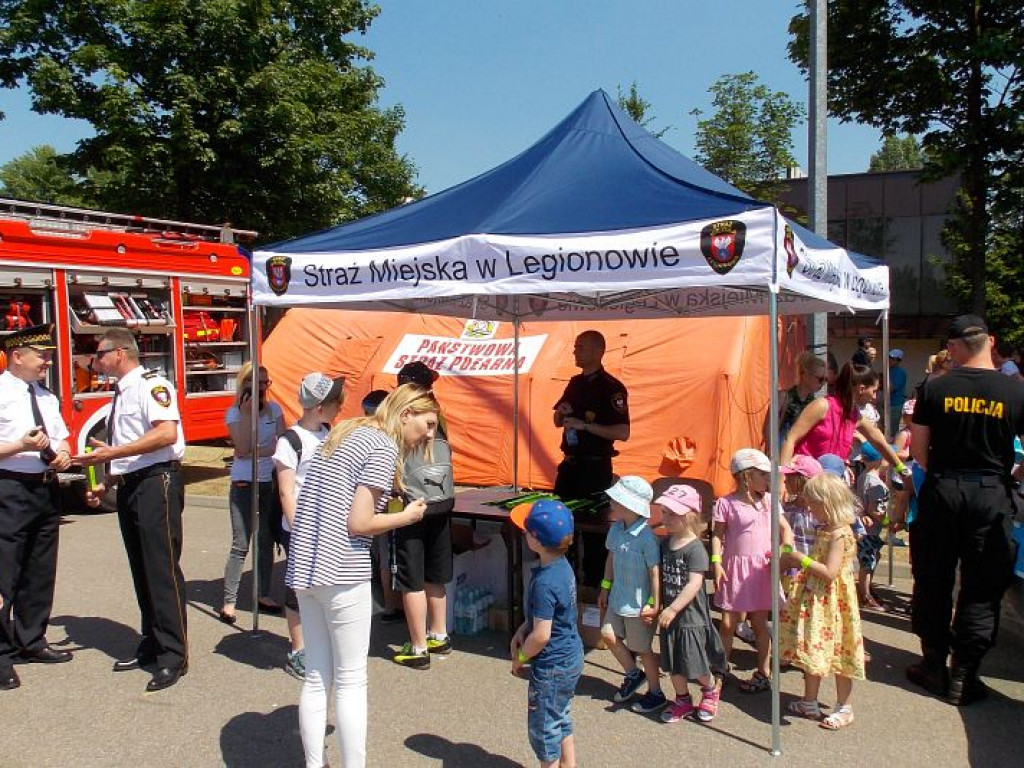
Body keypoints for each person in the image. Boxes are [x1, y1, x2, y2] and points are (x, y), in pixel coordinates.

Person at [286, 383, 433, 768]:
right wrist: (406, 516)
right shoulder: (382, 446)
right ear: (406, 414)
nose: (430, 434)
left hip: (306, 565)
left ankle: (314, 763)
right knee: (351, 678)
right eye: (428, 424)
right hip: (341, 567)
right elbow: (360, 522)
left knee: (317, 675)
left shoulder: (347, 431)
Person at [907, 315, 1024, 706]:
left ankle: (933, 664)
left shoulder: (934, 387)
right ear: (990, 342)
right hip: (991, 493)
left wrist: (943, 472)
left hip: (944, 489)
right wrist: (1013, 475)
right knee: (982, 587)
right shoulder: (1016, 391)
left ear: (955, 347)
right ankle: (964, 674)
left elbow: (919, 451)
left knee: (933, 579)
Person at [77, 328, 188, 692]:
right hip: (131, 483)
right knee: (141, 569)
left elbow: (166, 434)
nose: (96, 361)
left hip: (157, 482)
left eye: (100, 354)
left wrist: (112, 453)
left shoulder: (151, 385)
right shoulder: (121, 391)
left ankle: (173, 654)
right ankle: (152, 642)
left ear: (120, 353)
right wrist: (107, 482)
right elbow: (128, 447)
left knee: (161, 569)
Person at [0, 324, 73, 692]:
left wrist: (63, 455)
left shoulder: (45, 396)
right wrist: (20, 446)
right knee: (5, 573)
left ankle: (31, 640)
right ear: (17, 356)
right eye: (41, 355)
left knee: (39, 570)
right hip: (8, 487)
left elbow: (63, 438)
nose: (48, 361)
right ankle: (1, 654)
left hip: (45, 488)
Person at [780, 473, 865, 730]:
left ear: (827, 503)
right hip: (818, 598)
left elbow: (830, 572)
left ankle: (844, 707)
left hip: (835, 601)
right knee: (813, 646)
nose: (810, 510)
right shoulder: (825, 528)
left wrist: (800, 559)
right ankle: (809, 701)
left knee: (841, 652)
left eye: (813, 505)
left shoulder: (839, 533)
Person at [273, 373, 344, 680]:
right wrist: (298, 531)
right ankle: (298, 649)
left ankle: (319, 644)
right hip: (301, 529)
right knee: (298, 589)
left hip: (328, 526)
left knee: (324, 586)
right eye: (335, 402)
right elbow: (286, 491)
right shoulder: (290, 441)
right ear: (319, 406)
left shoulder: (330, 433)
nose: (340, 406)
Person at [391, 361, 455, 669]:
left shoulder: (402, 418)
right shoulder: (439, 416)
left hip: (412, 505)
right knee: (435, 574)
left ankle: (418, 647)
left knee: (411, 578)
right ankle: (439, 634)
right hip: (442, 502)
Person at [509, 499, 583, 768]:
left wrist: (520, 658)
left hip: (552, 666)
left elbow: (541, 635)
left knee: (543, 728)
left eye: (526, 530)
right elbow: (551, 615)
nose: (523, 533)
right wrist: (523, 627)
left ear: (536, 541)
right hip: (571, 657)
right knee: (560, 716)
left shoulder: (544, 582)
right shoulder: (561, 566)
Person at [712, 448, 792, 693]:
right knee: (728, 623)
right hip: (734, 569)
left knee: (759, 623)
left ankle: (764, 672)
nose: (768, 480)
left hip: (761, 569)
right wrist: (716, 561)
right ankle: (721, 669)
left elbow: (786, 530)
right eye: (763, 475)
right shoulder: (726, 503)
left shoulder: (769, 502)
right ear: (746, 476)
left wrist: (785, 551)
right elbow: (717, 535)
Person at [553, 330, 630, 585]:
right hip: (569, 468)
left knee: (595, 534)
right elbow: (557, 421)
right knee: (561, 528)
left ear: (598, 351)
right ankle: (563, 584)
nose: (575, 351)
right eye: (575, 346)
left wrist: (585, 426)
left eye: (581, 347)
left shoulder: (612, 388)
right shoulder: (574, 383)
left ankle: (595, 590)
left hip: (595, 470)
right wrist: (561, 413)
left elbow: (623, 432)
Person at [654, 484, 726, 724]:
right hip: (670, 618)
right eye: (664, 512)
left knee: (695, 662)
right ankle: (682, 699)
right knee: (673, 663)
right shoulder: (665, 544)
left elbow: (695, 584)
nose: (665, 518)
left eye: (672, 514)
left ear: (690, 516)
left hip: (690, 618)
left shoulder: (695, 549)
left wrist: (674, 608)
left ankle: (710, 689)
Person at [220, 363, 286, 624]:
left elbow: (283, 444)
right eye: (256, 383)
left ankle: (263, 593)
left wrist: (259, 451)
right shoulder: (234, 413)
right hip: (244, 482)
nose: (261, 388)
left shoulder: (274, 410)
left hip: (268, 480)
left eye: (265, 383)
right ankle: (229, 601)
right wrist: (248, 416)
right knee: (241, 543)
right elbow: (243, 448)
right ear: (244, 384)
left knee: (265, 538)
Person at [596, 476, 663, 712]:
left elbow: (655, 572)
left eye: (616, 500)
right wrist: (605, 587)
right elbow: (611, 558)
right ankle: (634, 674)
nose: (611, 503)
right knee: (608, 634)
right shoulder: (615, 529)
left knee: (643, 649)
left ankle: (656, 692)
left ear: (630, 506)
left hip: (639, 606)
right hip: (617, 598)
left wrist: (654, 603)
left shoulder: (647, 538)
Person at [780, 363, 909, 479]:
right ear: (861, 389)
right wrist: (782, 479)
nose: (875, 397)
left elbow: (880, 442)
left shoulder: (855, 416)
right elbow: (790, 439)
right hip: (804, 479)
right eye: (874, 391)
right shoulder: (822, 406)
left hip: (829, 482)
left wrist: (901, 468)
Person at [360, 389, 402, 624]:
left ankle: (385, 603)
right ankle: (389, 605)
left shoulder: (358, 434)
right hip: (383, 503)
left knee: (375, 553)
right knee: (385, 555)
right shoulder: (388, 438)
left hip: (366, 503)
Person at [763, 351, 826, 453]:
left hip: (802, 455)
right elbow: (768, 430)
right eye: (820, 379)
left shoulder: (815, 404)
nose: (823, 383)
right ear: (805, 375)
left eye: (825, 379)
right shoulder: (783, 397)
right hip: (780, 452)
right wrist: (774, 453)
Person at [854, 442, 888, 611]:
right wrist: (888, 521)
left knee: (872, 558)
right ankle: (865, 595)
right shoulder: (875, 483)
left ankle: (866, 589)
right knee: (868, 562)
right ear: (879, 460)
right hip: (870, 530)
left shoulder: (863, 476)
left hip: (865, 528)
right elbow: (875, 510)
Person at [888, 349, 908, 435]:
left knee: (892, 430)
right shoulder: (889, 370)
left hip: (895, 404)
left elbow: (891, 388)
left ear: (898, 360)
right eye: (889, 358)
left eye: (893, 359)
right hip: (888, 404)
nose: (890, 360)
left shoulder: (899, 372)